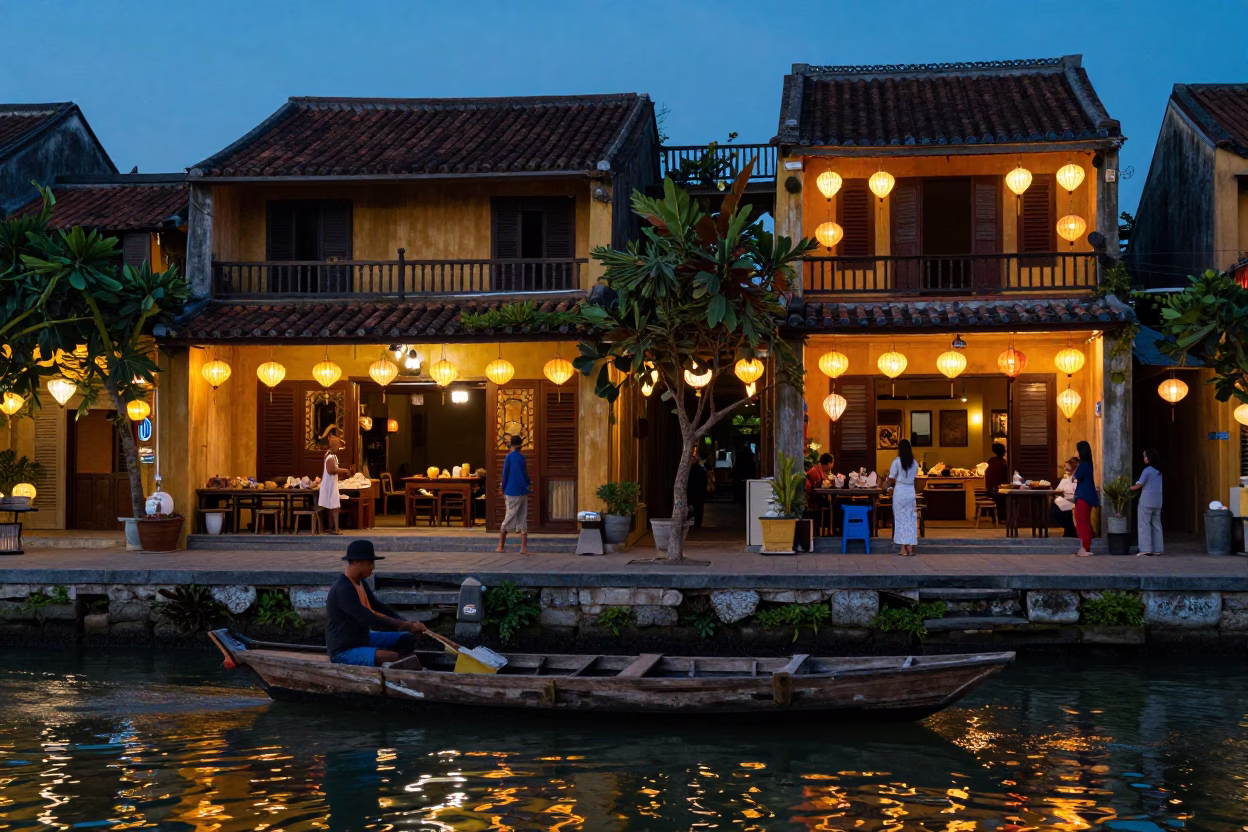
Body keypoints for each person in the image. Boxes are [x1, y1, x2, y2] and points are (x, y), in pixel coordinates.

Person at [326, 539, 428, 666]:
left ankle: (399, 667)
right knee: (393, 658)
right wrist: (404, 625)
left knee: (406, 639)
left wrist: (408, 624)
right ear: (358, 562)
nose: (373, 566)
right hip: (344, 649)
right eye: (370, 562)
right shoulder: (342, 589)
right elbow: (369, 618)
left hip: (363, 638)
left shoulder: (360, 582)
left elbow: (377, 607)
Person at [498, 433, 530, 554]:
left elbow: (505, 475)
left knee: (509, 516)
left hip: (511, 491)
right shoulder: (522, 458)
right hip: (523, 491)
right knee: (522, 517)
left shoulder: (509, 457)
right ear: (521, 446)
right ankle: (523, 548)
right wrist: (527, 484)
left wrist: (503, 490)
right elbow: (525, 475)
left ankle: (500, 546)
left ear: (511, 445)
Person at [886, 439, 919, 556]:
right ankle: (909, 546)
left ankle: (903, 549)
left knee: (900, 520)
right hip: (910, 491)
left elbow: (891, 478)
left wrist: (889, 486)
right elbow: (915, 476)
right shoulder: (915, 463)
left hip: (900, 491)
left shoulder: (896, 462)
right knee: (910, 520)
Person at [1130, 448, 1163, 556]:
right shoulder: (1159, 471)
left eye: (1145, 456)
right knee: (1156, 525)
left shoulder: (1147, 470)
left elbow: (1139, 485)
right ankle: (1158, 549)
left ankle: (1145, 549)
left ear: (1149, 458)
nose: (1144, 458)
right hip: (1158, 502)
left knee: (1144, 525)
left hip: (1146, 501)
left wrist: (1128, 488)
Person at [1072, 440, 1099, 557]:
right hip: (1089, 496)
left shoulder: (1082, 465)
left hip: (1082, 497)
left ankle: (1084, 547)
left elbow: (1075, 477)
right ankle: (1086, 547)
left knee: (1081, 522)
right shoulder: (1089, 464)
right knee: (1086, 522)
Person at [319, 431, 348, 535]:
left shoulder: (331, 455)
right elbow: (331, 470)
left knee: (332, 507)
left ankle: (331, 527)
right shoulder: (330, 456)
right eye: (337, 446)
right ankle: (336, 529)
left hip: (331, 484)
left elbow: (334, 469)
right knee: (335, 507)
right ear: (333, 446)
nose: (338, 448)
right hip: (330, 485)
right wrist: (344, 470)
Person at [1050, 456, 1079, 538]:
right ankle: (1069, 529)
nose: (1066, 468)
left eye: (1069, 466)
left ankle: (1071, 530)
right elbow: (1059, 490)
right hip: (1064, 499)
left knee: (1057, 511)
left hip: (1073, 500)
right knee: (1054, 509)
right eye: (1065, 467)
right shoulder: (1065, 478)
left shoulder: (1076, 478)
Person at [984, 442, 1009, 520]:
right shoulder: (1003, 464)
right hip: (997, 490)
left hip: (990, 489)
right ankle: (1002, 517)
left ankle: (997, 517)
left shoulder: (992, 463)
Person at [687, 448, 708, 529]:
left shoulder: (690, 471)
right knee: (699, 508)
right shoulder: (702, 470)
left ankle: (693, 522)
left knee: (692, 507)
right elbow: (705, 481)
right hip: (700, 492)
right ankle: (698, 524)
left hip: (692, 492)